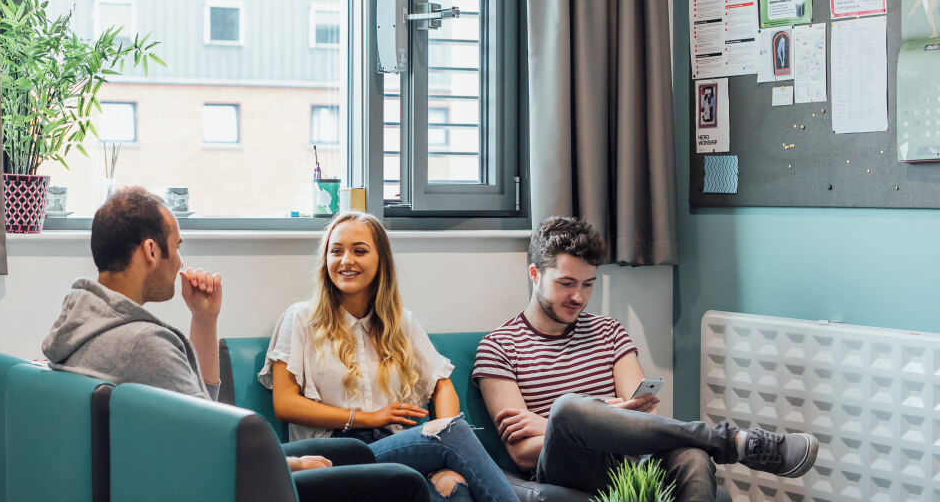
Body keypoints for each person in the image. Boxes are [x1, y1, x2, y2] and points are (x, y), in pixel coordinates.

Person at [43, 187, 432, 502]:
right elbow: (210, 442)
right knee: (406, 483)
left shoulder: (84, 321)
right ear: (151, 251)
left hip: (176, 469)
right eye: (176, 246)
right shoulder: (143, 343)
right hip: (206, 484)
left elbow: (201, 407)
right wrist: (288, 466)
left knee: (355, 453)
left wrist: (204, 318)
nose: (179, 262)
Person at [473, 217, 818, 502]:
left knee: (693, 456)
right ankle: (731, 441)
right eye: (566, 283)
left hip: (631, 462)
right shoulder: (499, 347)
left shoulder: (609, 331)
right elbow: (521, 451)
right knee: (567, 409)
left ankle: (721, 443)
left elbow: (644, 417)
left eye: (588, 284)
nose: (578, 296)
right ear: (535, 274)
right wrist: (567, 423)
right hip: (569, 471)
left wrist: (549, 422)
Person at [261, 212, 517, 502]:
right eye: (337, 251)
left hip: (393, 447)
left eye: (359, 251)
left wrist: (442, 448)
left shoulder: (401, 322)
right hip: (334, 453)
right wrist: (368, 418)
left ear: (380, 260)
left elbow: (442, 384)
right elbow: (285, 403)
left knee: (452, 483)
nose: (346, 261)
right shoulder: (301, 318)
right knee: (452, 435)